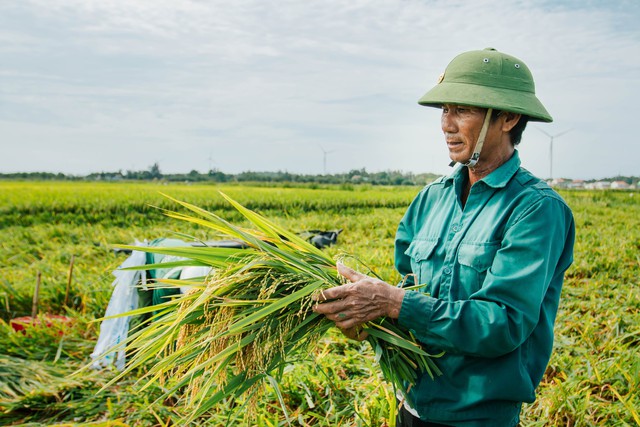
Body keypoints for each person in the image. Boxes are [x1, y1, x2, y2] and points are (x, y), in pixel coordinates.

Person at [313, 48, 576, 427]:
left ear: (508, 117)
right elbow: (406, 292)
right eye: (444, 110)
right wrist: (365, 318)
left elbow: (502, 323)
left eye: (462, 110)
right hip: (412, 405)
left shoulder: (535, 210)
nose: (446, 124)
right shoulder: (430, 199)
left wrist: (392, 302)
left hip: (477, 417)